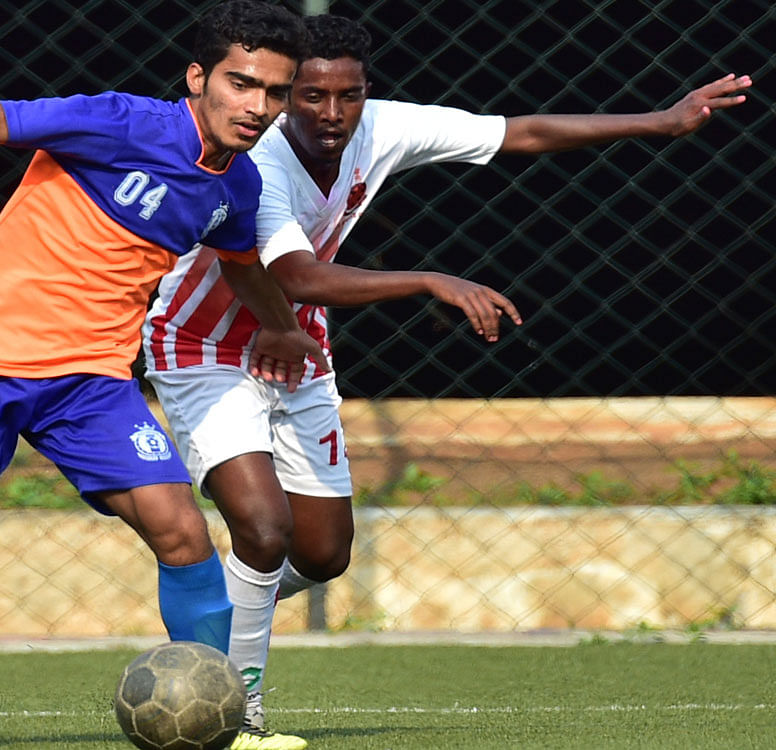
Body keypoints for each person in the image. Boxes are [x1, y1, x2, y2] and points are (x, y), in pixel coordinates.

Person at [143, 12, 753, 749]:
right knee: (263, 529)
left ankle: (213, 617)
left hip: (298, 344)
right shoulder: (261, 162)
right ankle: (238, 715)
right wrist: (429, 278)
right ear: (283, 95)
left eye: (349, 96)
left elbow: (517, 132)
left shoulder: (384, 127)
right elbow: (296, 273)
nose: (331, 114)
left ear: (366, 93)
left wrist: (660, 121)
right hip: (204, 343)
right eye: (309, 96)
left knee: (323, 552)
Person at [0, 0, 324, 734]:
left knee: (183, 534)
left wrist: (283, 328)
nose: (257, 106)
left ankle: (225, 723)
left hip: (91, 383)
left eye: (274, 92)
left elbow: (241, 266)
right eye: (241, 84)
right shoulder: (118, 122)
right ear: (198, 77)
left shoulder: (236, 187)